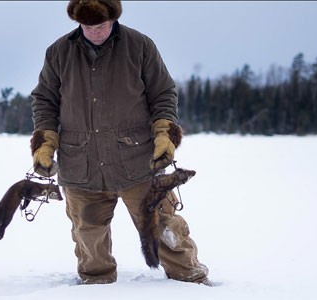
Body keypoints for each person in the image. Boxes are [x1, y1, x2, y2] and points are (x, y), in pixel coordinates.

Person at [30, 0, 212, 286]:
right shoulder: (58, 52)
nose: (94, 31)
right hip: (81, 164)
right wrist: (45, 141)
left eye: (100, 25)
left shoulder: (140, 46)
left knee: (163, 226)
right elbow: (45, 101)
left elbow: (163, 93)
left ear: (113, 18)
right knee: (87, 234)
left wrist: (165, 132)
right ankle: (96, 285)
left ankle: (190, 279)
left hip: (137, 160)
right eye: (87, 26)